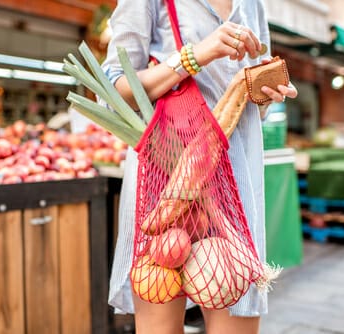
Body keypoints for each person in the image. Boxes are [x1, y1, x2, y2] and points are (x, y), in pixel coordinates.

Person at [102, 1, 298, 333]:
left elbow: (257, 110)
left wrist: (266, 91)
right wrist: (193, 56)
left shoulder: (252, 4)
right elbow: (112, 92)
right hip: (166, 185)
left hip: (235, 188)